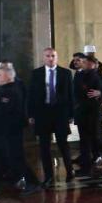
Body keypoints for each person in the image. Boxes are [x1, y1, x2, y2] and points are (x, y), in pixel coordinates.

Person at [0, 66, 39, 197]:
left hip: (10, 131)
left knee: (16, 158)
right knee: (0, 158)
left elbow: (2, 110)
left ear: (8, 76)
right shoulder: (5, 89)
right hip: (1, 131)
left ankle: (32, 182)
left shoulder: (13, 90)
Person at [27, 47, 75, 187]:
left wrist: (71, 114)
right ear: (44, 57)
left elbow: (71, 95)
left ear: (56, 57)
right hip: (43, 114)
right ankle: (48, 176)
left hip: (60, 113)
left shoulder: (65, 73)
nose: (50, 58)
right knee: (44, 146)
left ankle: (70, 171)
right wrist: (30, 114)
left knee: (63, 144)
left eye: (53, 56)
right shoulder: (36, 73)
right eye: (48, 56)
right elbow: (31, 95)